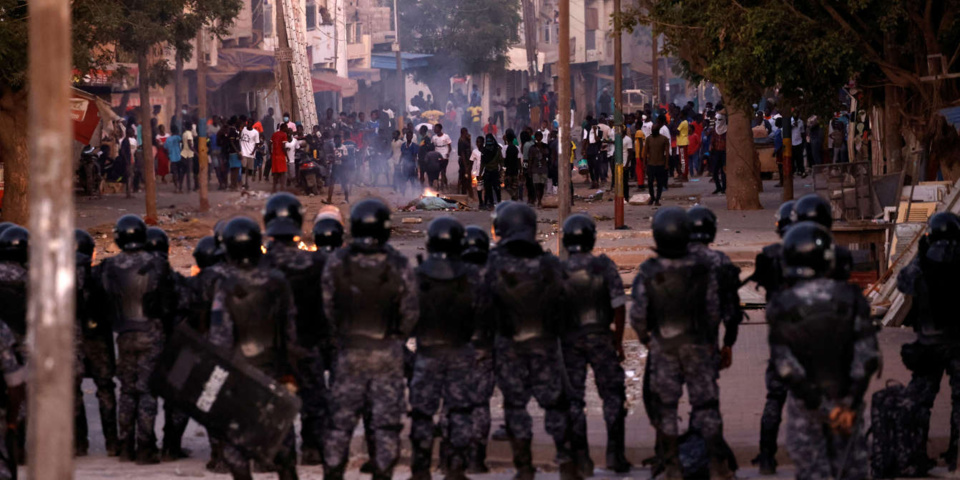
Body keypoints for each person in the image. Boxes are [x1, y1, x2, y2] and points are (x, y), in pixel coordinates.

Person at [768, 222, 879, 480]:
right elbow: (867, 355)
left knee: (811, 471)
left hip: (807, 407)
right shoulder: (851, 297)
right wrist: (849, 403)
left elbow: (785, 366)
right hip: (847, 402)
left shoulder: (782, 303)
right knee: (851, 469)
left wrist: (824, 407)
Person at [630, 207, 733, 479]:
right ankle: (718, 467)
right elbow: (713, 310)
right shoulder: (702, 270)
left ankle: (672, 467)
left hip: (664, 347)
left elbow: (638, 315)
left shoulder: (649, 271)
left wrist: (649, 341)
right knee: (707, 407)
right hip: (698, 345)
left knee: (666, 409)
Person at [321, 199, 418, 480]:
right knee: (385, 426)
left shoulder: (338, 263)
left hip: (349, 353)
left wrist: (342, 338)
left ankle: (333, 473)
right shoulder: (398, 265)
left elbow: (328, 309)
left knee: (339, 425)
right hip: (387, 354)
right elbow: (410, 313)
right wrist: (395, 340)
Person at [208, 217, 300, 480]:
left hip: (240, 373)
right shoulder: (278, 281)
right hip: (275, 369)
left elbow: (220, 338)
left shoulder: (225, 287)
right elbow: (290, 329)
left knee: (237, 447)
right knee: (281, 438)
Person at [409, 217, 482, 480]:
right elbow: (483, 316)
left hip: (427, 352)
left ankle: (420, 469)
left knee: (422, 414)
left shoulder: (417, 276)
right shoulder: (471, 277)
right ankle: (455, 467)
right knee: (459, 412)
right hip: (461, 351)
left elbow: (406, 319)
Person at [99, 215, 175, 463]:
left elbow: (104, 298)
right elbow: (169, 299)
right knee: (147, 392)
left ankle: (125, 446)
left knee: (127, 392)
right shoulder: (157, 264)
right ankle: (145, 447)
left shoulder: (109, 266)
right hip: (151, 334)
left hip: (123, 334)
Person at [260, 194, 329, 466]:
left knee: (273, 400)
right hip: (308, 343)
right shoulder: (317, 263)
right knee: (314, 400)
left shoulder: (259, 265)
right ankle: (312, 449)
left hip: (270, 348)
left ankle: (276, 451)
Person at [560, 214, 631, 475]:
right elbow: (619, 305)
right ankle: (615, 455)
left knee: (573, 400)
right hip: (601, 337)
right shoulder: (604, 266)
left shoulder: (559, 269)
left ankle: (581, 458)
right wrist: (618, 340)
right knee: (613, 395)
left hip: (570, 342)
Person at [897, 212, 960, 469]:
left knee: (921, 400)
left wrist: (922, 254)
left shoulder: (924, 260)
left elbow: (904, 284)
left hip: (929, 342)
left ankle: (917, 454)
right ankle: (955, 454)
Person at [73, 229, 120, 458]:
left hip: (70, 337)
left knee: (72, 390)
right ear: (91, 254)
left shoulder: (56, 278)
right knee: (105, 387)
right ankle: (112, 443)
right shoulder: (101, 274)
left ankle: (79, 444)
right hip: (98, 337)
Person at [643, 118, 670, 206]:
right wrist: (644, 164)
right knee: (650, 182)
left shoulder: (664, 139)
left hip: (660, 164)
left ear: (658, 130)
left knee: (659, 183)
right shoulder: (648, 139)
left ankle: (657, 199)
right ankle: (652, 198)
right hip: (651, 164)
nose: (653, 131)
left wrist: (666, 164)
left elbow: (667, 153)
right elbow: (645, 152)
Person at [325, 134, 352, 204]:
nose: (336, 141)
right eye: (335, 140)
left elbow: (346, 158)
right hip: (335, 167)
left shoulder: (344, 148)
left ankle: (346, 199)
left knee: (344, 183)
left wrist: (339, 158)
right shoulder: (333, 148)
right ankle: (329, 199)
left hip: (342, 167)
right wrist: (330, 160)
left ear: (340, 140)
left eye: (337, 140)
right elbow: (331, 157)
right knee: (331, 183)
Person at [480, 134, 502, 209]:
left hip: (495, 171)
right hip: (487, 171)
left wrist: (502, 170)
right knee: (488, 188)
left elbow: (501, 161)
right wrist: (480, 173)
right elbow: (482, 163)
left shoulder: (497, 149)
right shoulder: (484, 150)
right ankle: (491, 203)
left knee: (496, 188)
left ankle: (499, 201)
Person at [240, 118, 261, 189]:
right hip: (244, 152)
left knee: (249, 170)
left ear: (252, 124)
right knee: (243, 168)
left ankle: (247, 184)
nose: (249, 123)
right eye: (248, 122)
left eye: (250, 122)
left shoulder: (255, 132)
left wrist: (253, 151)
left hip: (251, 154)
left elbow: (257, 143)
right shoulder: (243, 129)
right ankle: (243, 184)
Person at [710, 110, 727, 194]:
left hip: (725, 152)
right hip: (716, 152)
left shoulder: (727, 130)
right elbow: (712, 141)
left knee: (724, 171)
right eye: (716, 120)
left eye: (720, 120)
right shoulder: (714, 130)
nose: (718, 122)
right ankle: (718, 187)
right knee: (715, 171)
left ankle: (724, 188)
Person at [432, 123, 453, 191]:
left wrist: (448, 153)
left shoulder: (446, 136)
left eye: (436, 128)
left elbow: (450, 147)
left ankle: (444, 186)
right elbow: (432, 147)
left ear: (440, 129)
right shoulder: (434, 137)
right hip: (437, 155)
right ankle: (438, 186)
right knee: (437, 171)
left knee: (443, 171)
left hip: (444, 155)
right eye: (434, 128)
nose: (434, 129)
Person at [165, 125, 185, 193]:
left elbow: (165, 148)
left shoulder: (168, 139)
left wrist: (168, 154)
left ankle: (176, 187)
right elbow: (182, 144)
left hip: (172, 158)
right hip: (179, 156)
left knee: (175, 173)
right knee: (181, 172)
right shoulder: (178, 137)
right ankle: (180, 187)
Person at [270, 124, 289, 193]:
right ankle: (283, 190)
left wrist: (271, 153)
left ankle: (274, 190)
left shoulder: (274, 134)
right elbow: (283, 147)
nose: (287, 129)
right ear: (283, 128)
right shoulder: (284, 135)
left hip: (274, 157)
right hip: (281, 157)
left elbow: (270, 144)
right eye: (286, 128)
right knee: (283, 175)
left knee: (275, 175)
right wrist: (287, 156)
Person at [503, 130, 521, 201]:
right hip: (515, 169)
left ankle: (513, 196)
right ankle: (515, 199)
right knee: (515, 186)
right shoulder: (516, 147)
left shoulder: (505, 148)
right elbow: (518, 160)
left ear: (506, 139)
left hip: (508, 170)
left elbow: (504, 159)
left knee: (507, 186)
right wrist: (520, 170)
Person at [181, 122, 197, 192]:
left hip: (184, 153)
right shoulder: (189, 134)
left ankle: (180, 186)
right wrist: (196, 153)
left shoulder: (184, 133)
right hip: (189, 154)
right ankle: (189, 188)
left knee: (183, 171)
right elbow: (190, 144)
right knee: (189, 172)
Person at [457, 128, 472, 197]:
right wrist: (466, 165)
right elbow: (462, 153)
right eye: (466, 132)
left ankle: (467, 194)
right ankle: (463, 194)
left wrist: (469, 140)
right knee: (464, 178)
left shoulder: (465, 140)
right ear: (463, 133)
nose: (467, 134)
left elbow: (469, 148)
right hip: (464, 161)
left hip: (467, 160)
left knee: (467, 178)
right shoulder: (461, 141)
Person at [471, 136, 485, 206]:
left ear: (483, 142)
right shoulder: (474, 151)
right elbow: (471, 161)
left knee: (486, 187)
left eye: (479, 142)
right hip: (478, 172)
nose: (477, 143)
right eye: (477, 142)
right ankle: (481, 202)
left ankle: (486, 201)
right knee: (479, 187)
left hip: (486, 171)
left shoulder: (486, 150)